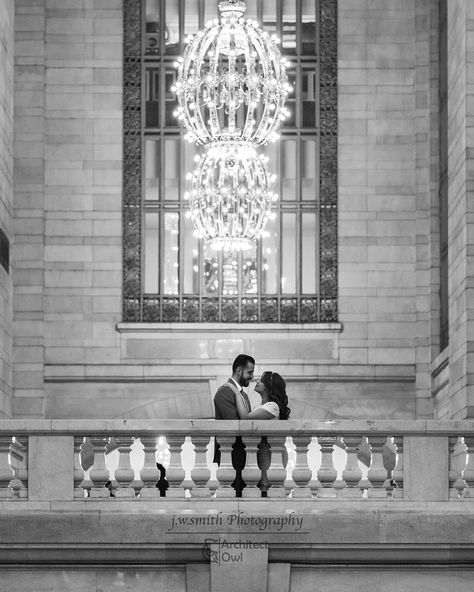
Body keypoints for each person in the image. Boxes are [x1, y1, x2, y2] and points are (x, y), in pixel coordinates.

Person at [214, 353, 255, 419]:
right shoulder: (224, 392)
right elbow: (233, 425)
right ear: (239, 371)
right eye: (250, 372)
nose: (252, 376)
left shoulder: (244, 395)